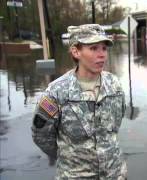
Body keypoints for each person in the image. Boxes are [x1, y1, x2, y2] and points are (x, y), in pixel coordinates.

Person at [31, 24, 127, 180]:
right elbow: (41, 136)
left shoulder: (114, 85)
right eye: (94, 48)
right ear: (76, 52)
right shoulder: (56, 92)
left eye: (104, 48)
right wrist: (70, 157)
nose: (102, 54)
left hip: (114, 173)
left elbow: (114, 128)